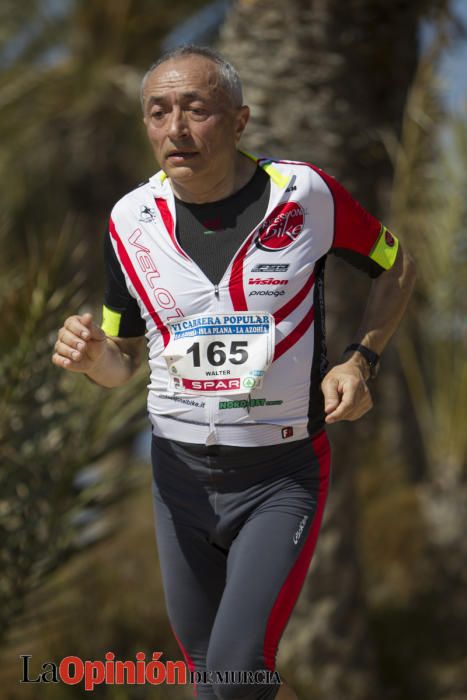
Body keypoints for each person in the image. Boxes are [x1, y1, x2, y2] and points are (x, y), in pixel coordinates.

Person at [52, 45, 416, 700]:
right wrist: (90, 359)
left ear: (240, 121)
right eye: (158, 112)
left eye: (196, 110)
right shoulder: (128, 221)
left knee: (234, 676)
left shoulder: (302, 193)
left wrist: (361, 359)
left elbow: (395, 265)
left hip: (278, 478)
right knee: (212, 677)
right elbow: (120, 364)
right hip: (176, 480)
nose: (175, 129)